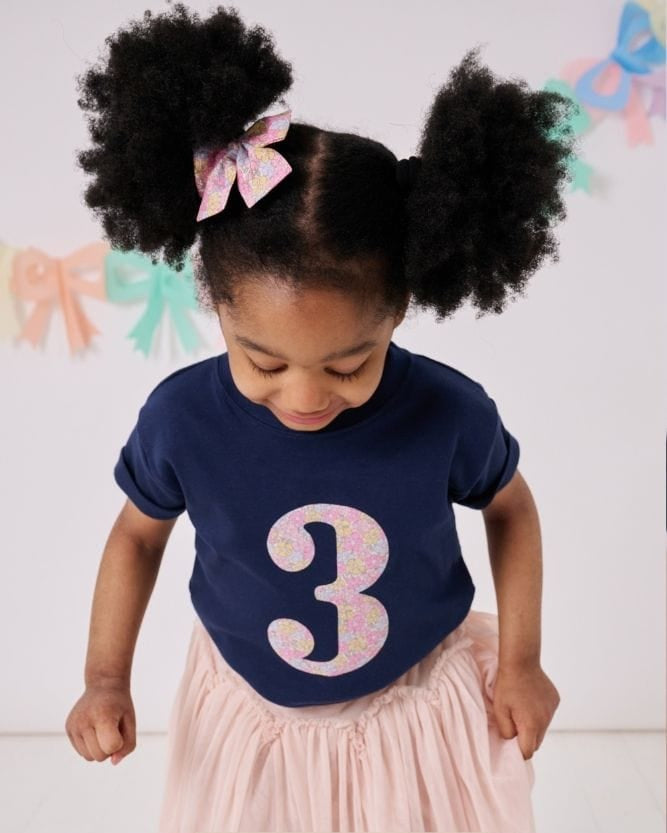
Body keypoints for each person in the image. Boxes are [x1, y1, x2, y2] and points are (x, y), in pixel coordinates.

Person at [64, 4, 571, 832]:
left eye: (348, 364)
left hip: (417, 710)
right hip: (251, 719)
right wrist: (104, 675)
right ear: (215, 305)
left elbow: (509, 507)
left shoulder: (446, 410)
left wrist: (521, 660)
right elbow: (136, 535)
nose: (305, 395)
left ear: (399, 313)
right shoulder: (182, 419)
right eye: (262, 361)